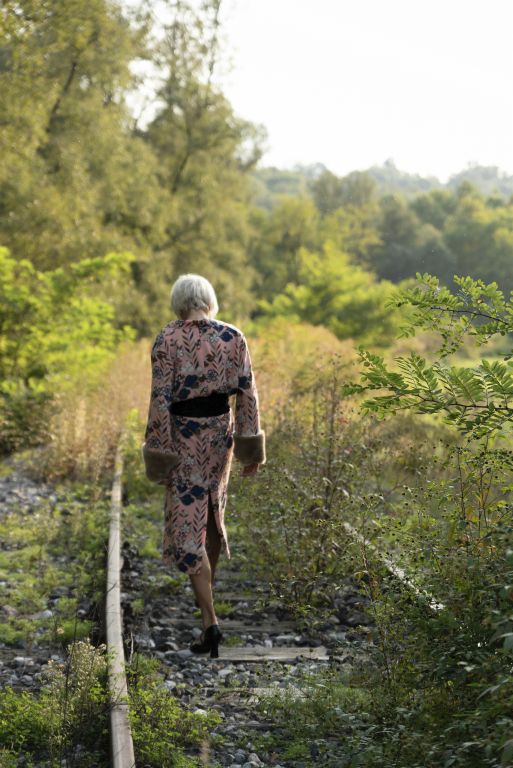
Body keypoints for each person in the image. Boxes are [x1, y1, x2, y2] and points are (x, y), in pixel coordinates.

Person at [142, 273, 266, 658]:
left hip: (183, 438)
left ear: (179, 301)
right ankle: (205, 620)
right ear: (209, 300)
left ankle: (210, 622)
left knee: (187, 525)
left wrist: (159, 451)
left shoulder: (167, 339)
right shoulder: (233, 336)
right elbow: (247, 394)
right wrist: (250, 449)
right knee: (212, 514)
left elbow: (159, 400)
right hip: (220, 437)